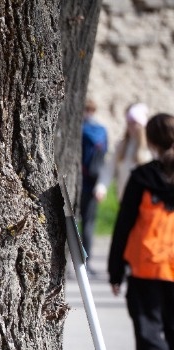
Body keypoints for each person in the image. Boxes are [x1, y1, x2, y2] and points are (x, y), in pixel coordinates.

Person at [107, 112, 174, 350]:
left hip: (146, 262)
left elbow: (124, 225)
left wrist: (115, 270)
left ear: (151, 142)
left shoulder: (142, 177)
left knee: (147, 322)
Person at [95, 103, 153, 205]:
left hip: (142, 201)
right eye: (129, 123)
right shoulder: (122, 145)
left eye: (133, 123)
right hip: (123, 198)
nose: (130, 126)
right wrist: (101, 187)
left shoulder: (150, 148)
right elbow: (109, 167)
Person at [79, 98, 108, 266]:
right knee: (89, 223)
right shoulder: (102, 130)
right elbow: (104, 155)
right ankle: (87, 262)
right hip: (94, 181)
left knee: (74, 221)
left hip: (80, 179)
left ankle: (72, 261)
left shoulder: (80, 130)